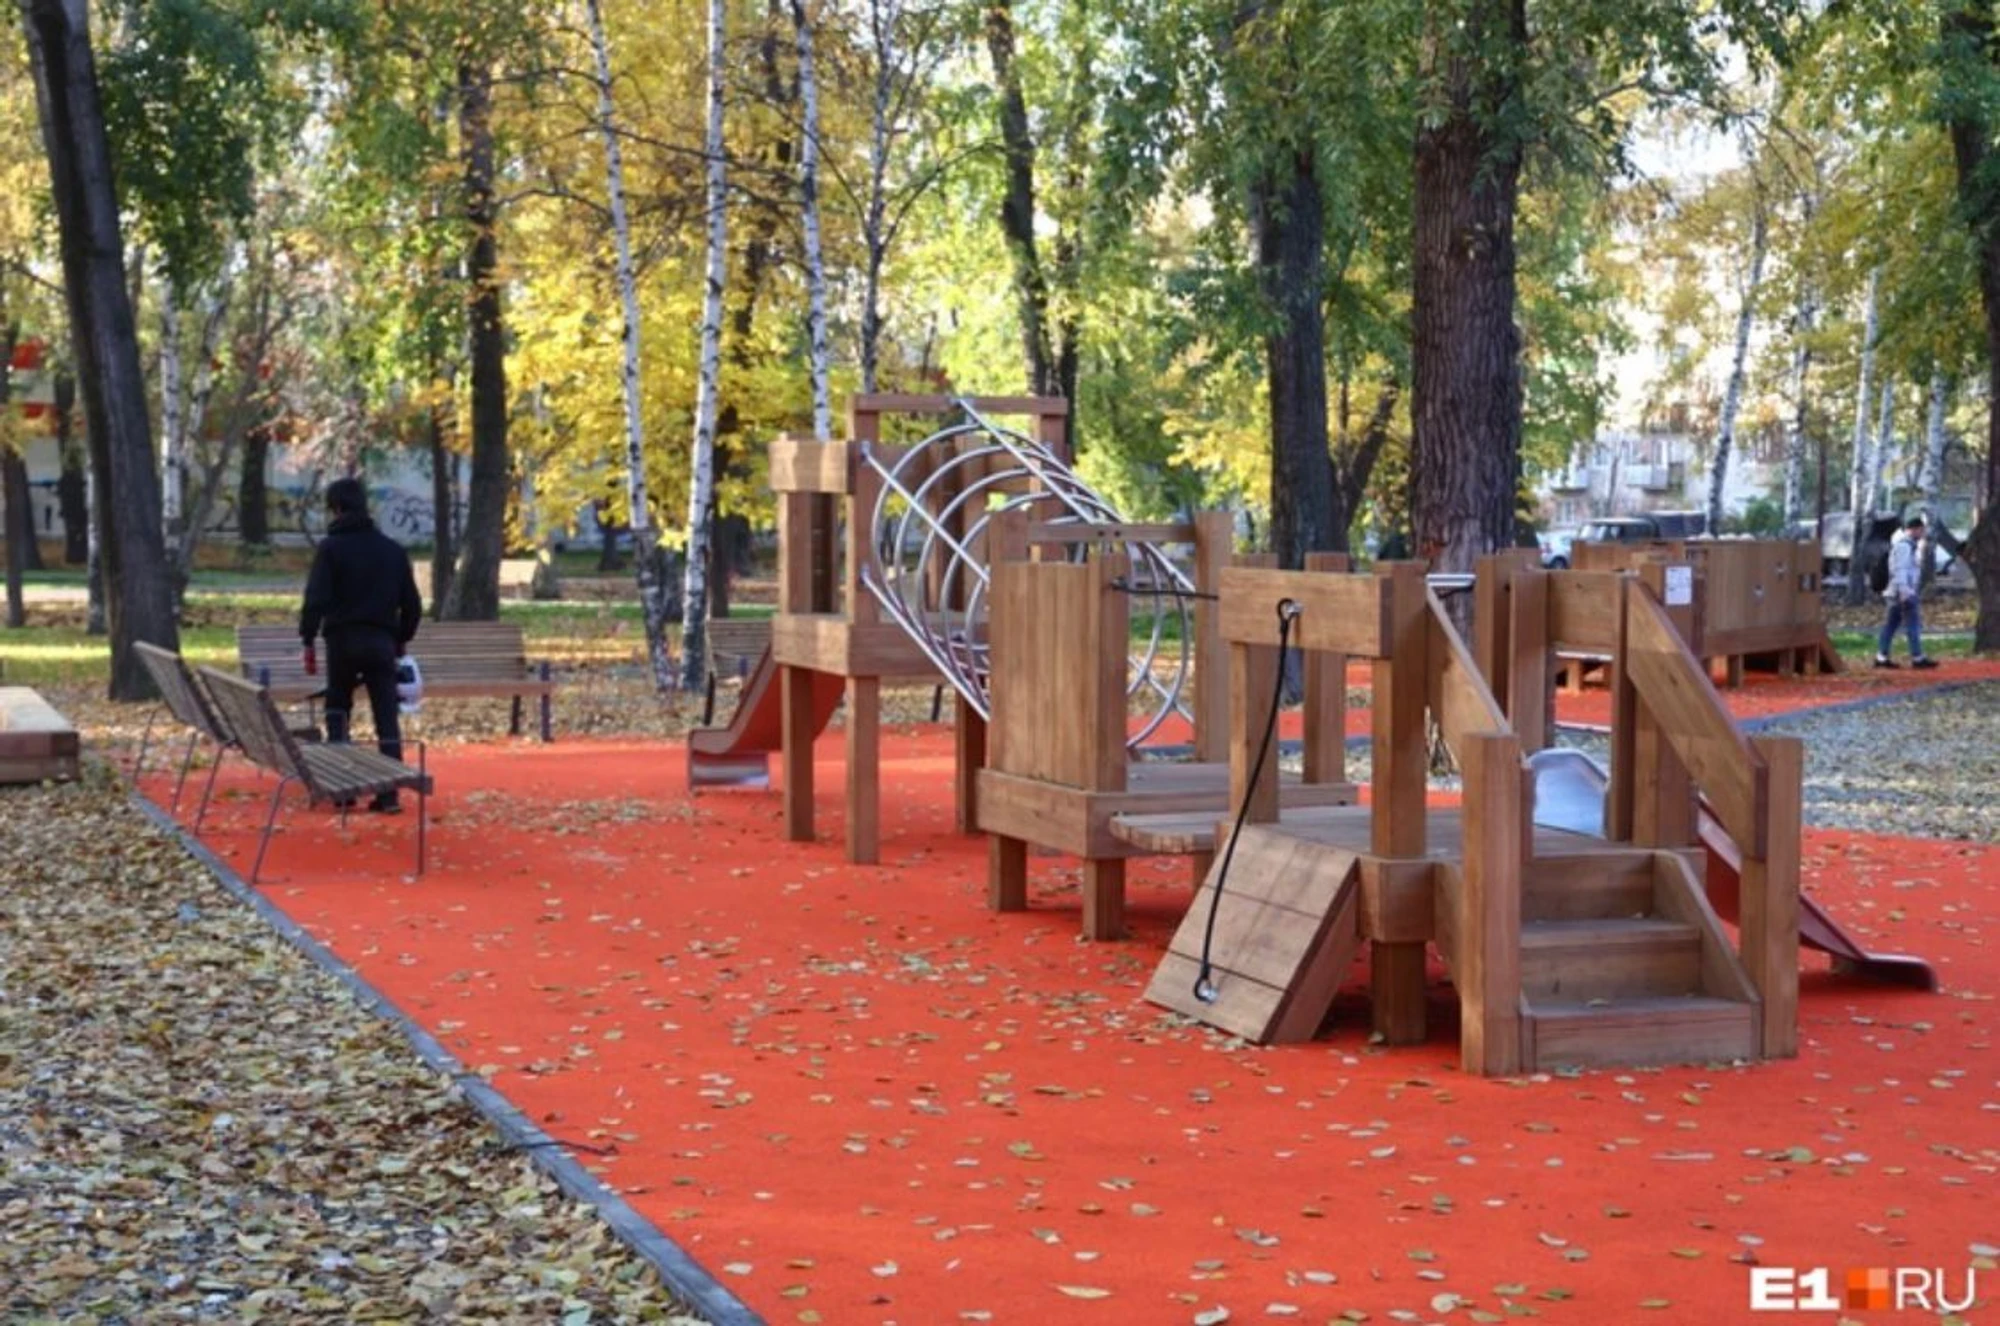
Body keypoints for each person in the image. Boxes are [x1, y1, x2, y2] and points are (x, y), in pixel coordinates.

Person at [299, 477, 424, 810]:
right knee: (386, 715)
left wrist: (308, 637)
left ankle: (345, 788)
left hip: (341, 640)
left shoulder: (330, 549)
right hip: (381, 641)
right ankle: (389, 793)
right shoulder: (392, 551)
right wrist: (400, 638)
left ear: (337, 509)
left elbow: (316, 599)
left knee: (338, 709)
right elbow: (412, 606)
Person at [1875, 514, 1938, 671]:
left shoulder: (1905, 545)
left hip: (1897, 591)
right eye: (1921, 530)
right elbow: (1901, 570)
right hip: (1902, 592)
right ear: (1914, 529)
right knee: (1913, 624)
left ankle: (1881, 656)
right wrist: (1904, 590)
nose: (1922, 534)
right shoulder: (1904, 546)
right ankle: (1917, 657)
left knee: (1891, 625)